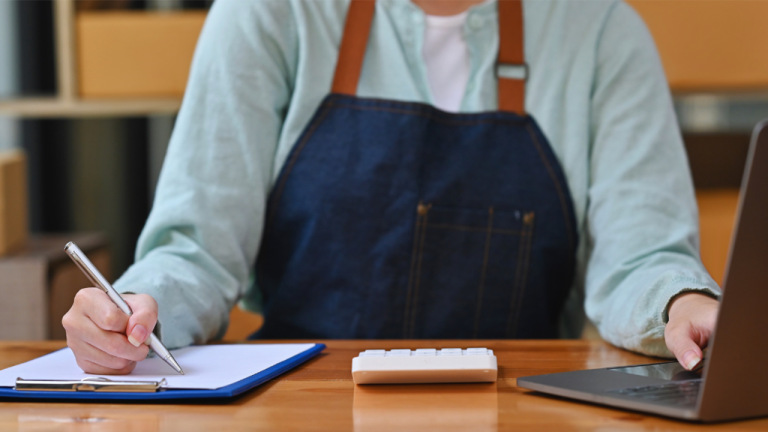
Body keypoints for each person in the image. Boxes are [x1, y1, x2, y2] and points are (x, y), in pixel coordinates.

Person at [62, 0, 720, 375]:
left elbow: (643, 255)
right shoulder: (270, 14)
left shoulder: (601, 32)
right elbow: (198, 251)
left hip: (522, 408)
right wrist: (136, 312)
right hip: (298, 406)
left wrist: (684, 305)